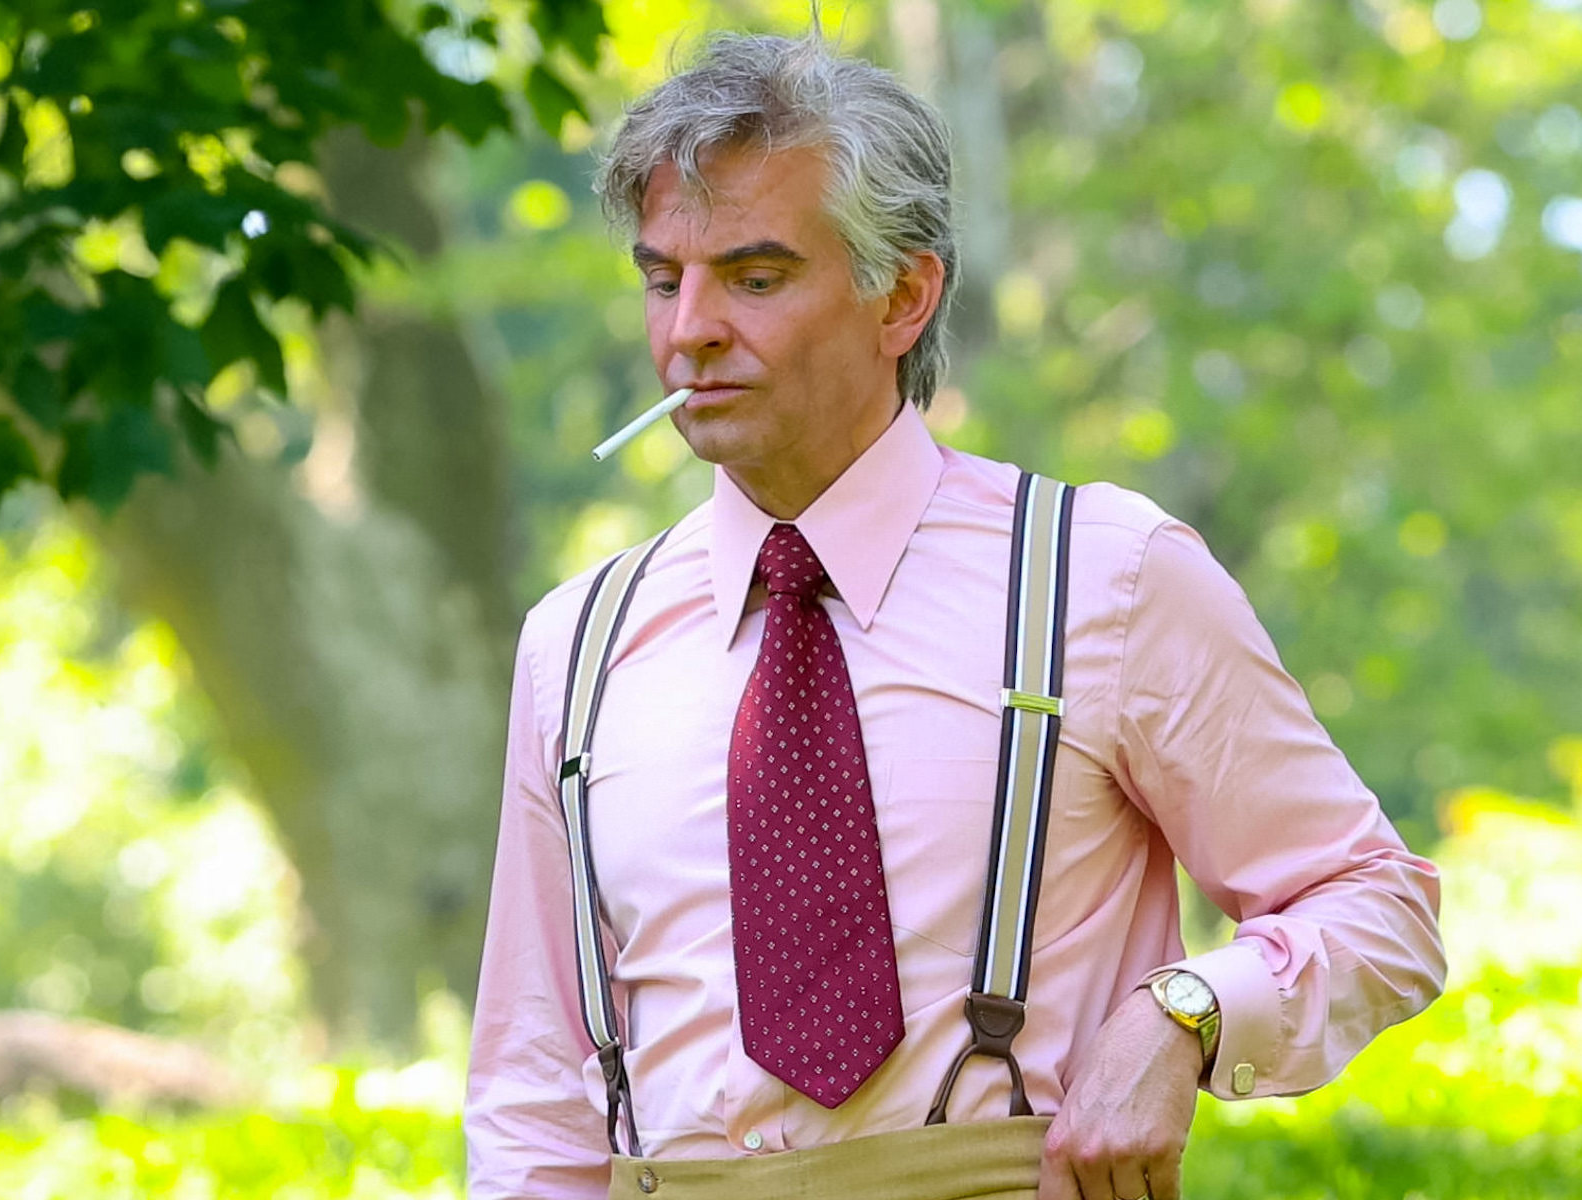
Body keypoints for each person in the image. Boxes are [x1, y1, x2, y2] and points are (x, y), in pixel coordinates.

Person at [465, 32, 1445, 1200]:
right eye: (664, 279)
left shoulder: (1107, 577)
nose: (690, 332)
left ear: (904, 294)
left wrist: (1188, 1010)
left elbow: (1381, 905)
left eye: (756, 277)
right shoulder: (576, 645)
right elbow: (533, 1094)